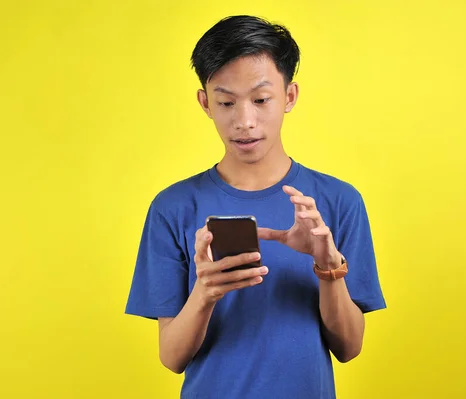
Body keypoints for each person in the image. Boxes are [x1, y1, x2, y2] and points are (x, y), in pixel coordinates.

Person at [125, 15, 386, 399]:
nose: (244, 121)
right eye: (226, 102)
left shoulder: (337, 202)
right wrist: (205, 292)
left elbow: (349, 347)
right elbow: (172, 356)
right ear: (205, 103)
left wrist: (329, 267)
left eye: (261, 100)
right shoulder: (172, 207)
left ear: (290, 96)